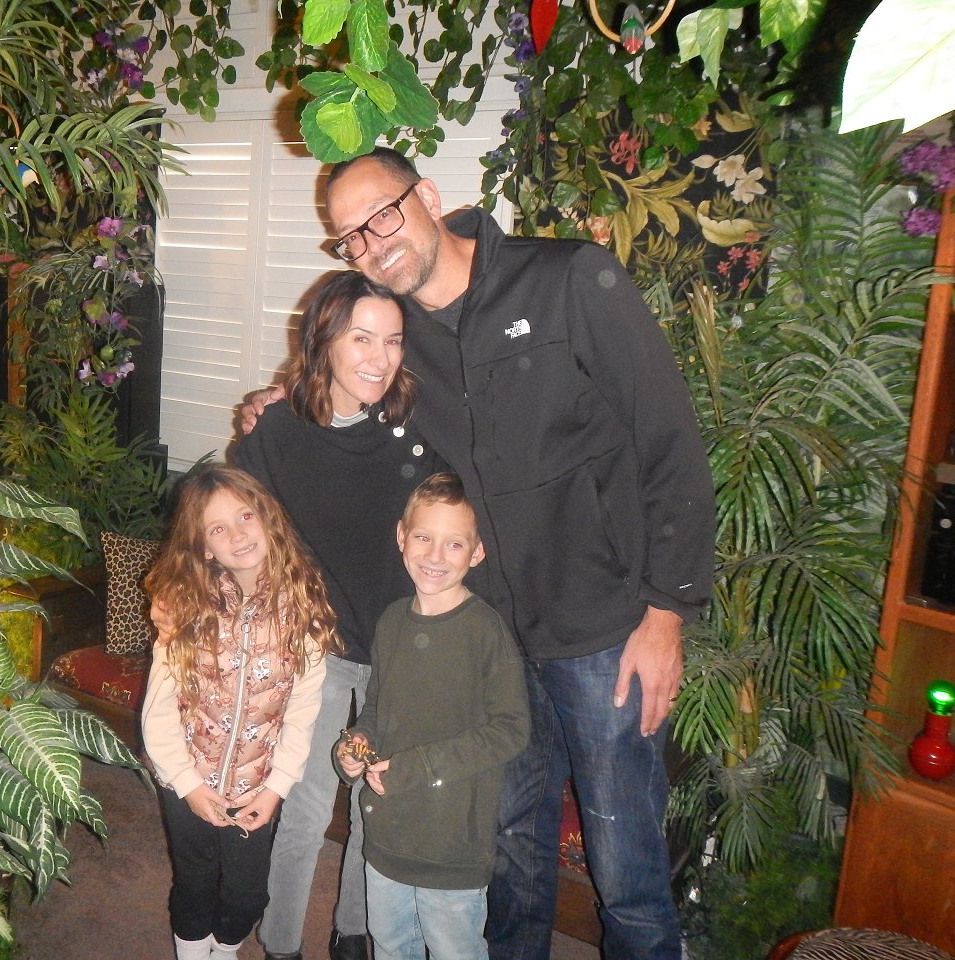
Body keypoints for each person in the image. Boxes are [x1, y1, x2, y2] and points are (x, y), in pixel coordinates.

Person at [244, 146, 715, 960]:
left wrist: (667, 611)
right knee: (508, 856)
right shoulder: (399, 334)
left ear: (427, 196)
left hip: (602, 630)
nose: (371, 244)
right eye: (351, 237)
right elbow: (348, 367)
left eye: (381, 215)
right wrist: (284, 395)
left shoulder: (567, 281)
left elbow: (667, 438)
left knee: (626, 872)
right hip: (490, 634)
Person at [232, 270, 443, 960]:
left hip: (397, 651)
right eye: (361, 338)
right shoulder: (277, 431)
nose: (380, 358)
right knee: (303, 806)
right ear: (323, 339)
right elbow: (242, 538)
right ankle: (282, 942)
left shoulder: (416, 429)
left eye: (393, 340)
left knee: (371, 807)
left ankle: (353, 933)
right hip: (316, 651)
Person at [141, 465, 341, 960]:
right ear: (205, 547)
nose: (237, 534)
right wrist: (186, 783)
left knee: (248, 894)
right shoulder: (185, 607)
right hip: (185, 776)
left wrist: (276, 788)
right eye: (217, 528)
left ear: (268, 519)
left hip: (255, 788)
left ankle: (225, 948)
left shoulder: (304, 609)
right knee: (194, 881)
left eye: (246, 516)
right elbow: (160, 708)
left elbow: (302, 712)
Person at [336, 472, 529, 960]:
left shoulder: (485, 631)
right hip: (387, 834)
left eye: (454, 544)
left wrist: (420, 767)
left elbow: (511, 730)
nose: (435, 555)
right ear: (402, 536)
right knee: (389, 943)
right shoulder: (391, 622)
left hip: (452, 843)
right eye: (423, 537)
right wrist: (355, 744)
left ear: (477, 553)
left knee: (453, 949)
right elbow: (376, 707)